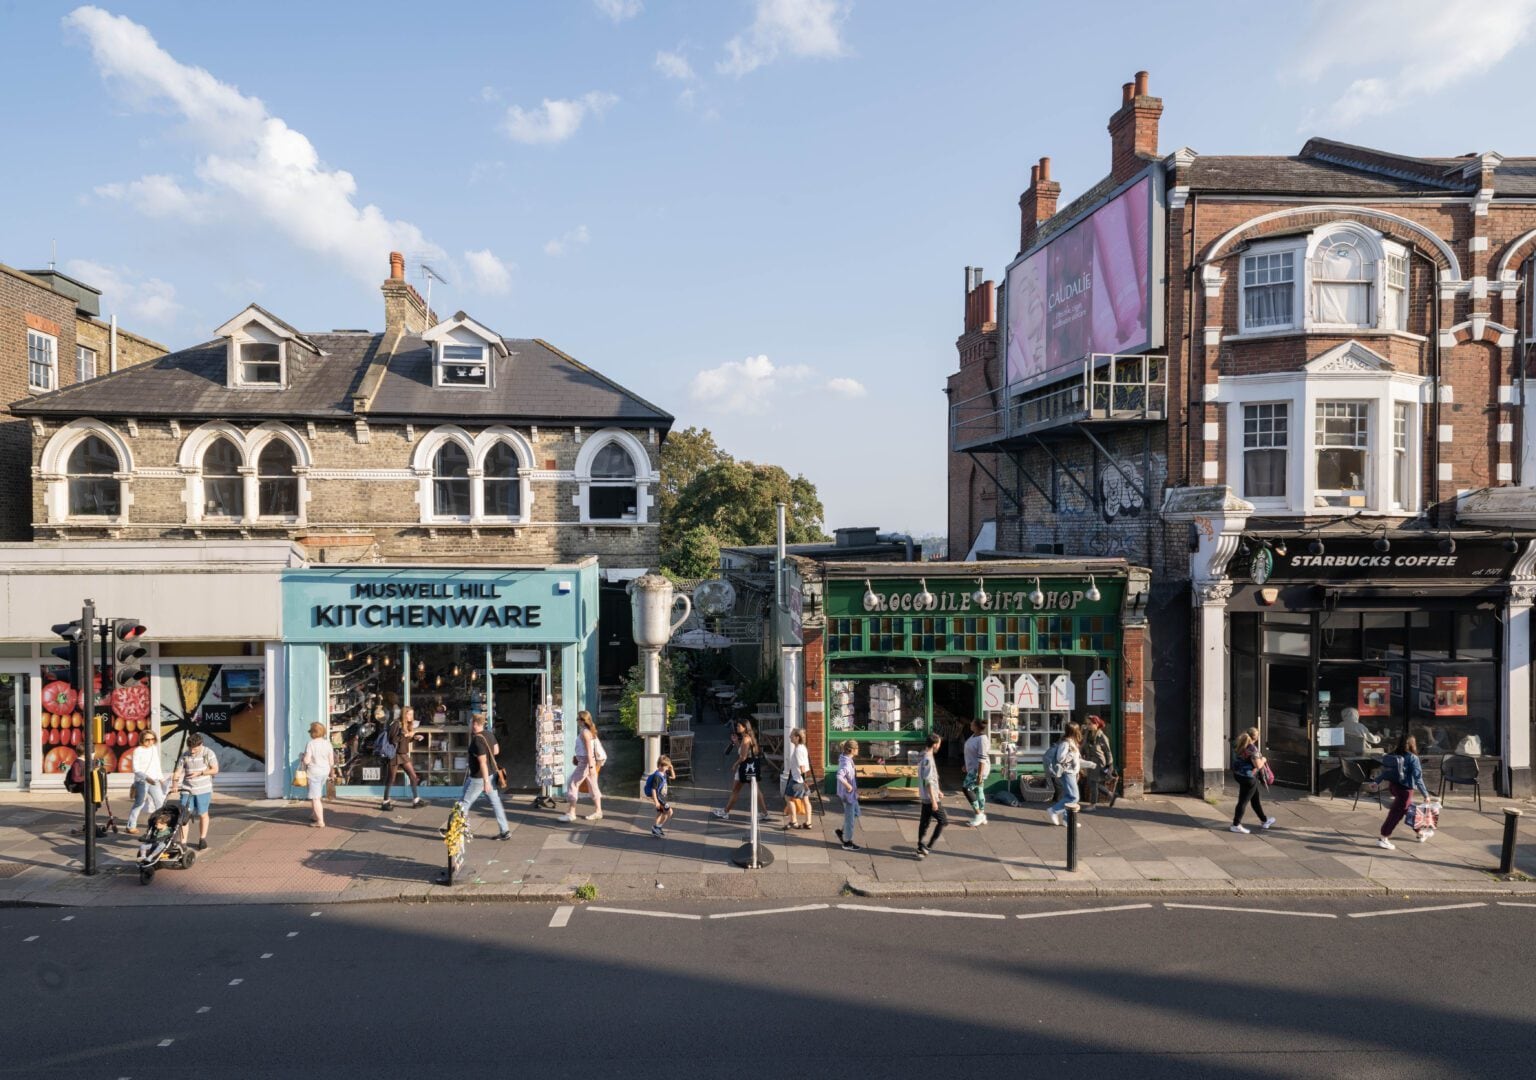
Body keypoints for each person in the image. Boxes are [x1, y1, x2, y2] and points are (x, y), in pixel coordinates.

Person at [458, 714, 510, 840]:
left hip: (479, 778)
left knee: (464, 803)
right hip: (490, 775)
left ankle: (457, 829)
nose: (471, 725)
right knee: (496, 803)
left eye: (471, 723)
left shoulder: (477, 740)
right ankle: (505, 831)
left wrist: (485, 782)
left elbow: (482, 762)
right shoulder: (489, 734)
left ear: (475, 724)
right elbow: (496, 750)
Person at [1377, 733, 1434, 849]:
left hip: (1394, 787)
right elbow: (1418, 778)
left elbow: (1385, 771)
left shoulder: (1392, 754)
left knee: (1408, 810)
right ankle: (1384, 837)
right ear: (1413, 744)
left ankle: (1420, 832)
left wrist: (1377, 781)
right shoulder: (1413, 758)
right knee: (1395, 814)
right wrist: (1425, 794)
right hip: (1405, 790)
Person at [170, 732, 220, 851]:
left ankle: (202, 838)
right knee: (183, 816)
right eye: (190, 748)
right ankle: (183, 843)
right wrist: (175, 784)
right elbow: (177, 771)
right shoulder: (185, 755)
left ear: (201, 744)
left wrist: (200, 773)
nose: (192, 751)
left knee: (203, 814)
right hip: (187, 789)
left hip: (203, 789)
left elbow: (215, 770)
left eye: (195, 748)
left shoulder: (208, 753)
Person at [712, 721, 769, 822]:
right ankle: (764, 813)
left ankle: (725, 812)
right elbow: (742, 751)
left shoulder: (746, 739)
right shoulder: (746, 738)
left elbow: (743, 757)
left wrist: (735, 764)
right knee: (752, 789)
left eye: (739, 726)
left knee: (737, 790)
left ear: (745, 727)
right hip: (749, 768)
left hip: (744, 767)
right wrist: (736, 742)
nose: (737, 727)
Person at [560, 710, 604, 823]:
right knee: (593, 786)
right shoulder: (590, 731)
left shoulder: (585, 732)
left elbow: (589, 751)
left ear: (582, 720)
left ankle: (571, 813)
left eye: (577, 719)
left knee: (572, 783)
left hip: (586, 763)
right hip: (589, 762)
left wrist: (590, 767)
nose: (576, 721)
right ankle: (598, 811)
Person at [1230, 726, 1276, 834]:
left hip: (1238, 775)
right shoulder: (1252, 748)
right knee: (1243, 802)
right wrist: (1263, 759)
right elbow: (1258, 765)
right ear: (1256, 737)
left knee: (1255, 799)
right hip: (1248, 777)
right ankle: (1235, 825)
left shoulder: (1239, 744)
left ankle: (1264, 820)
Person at [1045, 723, 1092, 827]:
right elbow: (1060, 758)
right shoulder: (1065, 743)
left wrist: (1090, 764)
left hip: (1072, 773)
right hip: (1067, 773)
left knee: (1068, 796)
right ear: (1075, 731)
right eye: (1078, 730)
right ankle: (1054, 810)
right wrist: (1071, 754)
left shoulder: (1072, 742)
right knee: (1074, 797)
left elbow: (1076, 760)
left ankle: (1067, 820)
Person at [381, 705, 424, 811]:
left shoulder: (407, 725)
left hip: (403, 754)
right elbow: (393, 739)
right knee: (391, 778)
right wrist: (406, 735)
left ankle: (416, 800)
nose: (411, 717)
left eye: (412, 714)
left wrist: (414, 738)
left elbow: (405, 741)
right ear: (404, 714)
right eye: (409, 714)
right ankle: (385, 802)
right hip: (394, 755)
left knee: (413, 776)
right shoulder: (397, 723)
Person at [124, 729, 166, 836]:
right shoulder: (137, 751)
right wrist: (146, 778)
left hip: (154, 780)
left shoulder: (154, 749)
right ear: (142, 739)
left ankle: (160, 825)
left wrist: (161, 779)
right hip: (142, 781)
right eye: (147, 739)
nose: (150, 742)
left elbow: (157, 765)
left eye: (153, 739)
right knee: (139, 803)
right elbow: (135, 769)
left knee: (160, 802)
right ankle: (130, 826)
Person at [915, 733, 947, 858]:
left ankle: (920, 846)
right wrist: (934, 800)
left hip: (926, 795)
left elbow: (932, 778)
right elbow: (928, 781)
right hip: (930, 797)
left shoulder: (924, 755)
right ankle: (927, 847)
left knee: (925, 822)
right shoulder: (928, 759)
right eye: (939, 743)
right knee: (943, 821)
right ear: (934, 745)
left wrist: (938, 790)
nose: (939, 746)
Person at [301, 721, 335, 828]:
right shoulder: (327, 743)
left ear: (313, 733)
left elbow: (306, 761)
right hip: (325, 771)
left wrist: (302, 757)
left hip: (314, 772)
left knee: (315, 797)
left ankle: (320, 821)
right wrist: (332, 772)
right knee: (317, 794)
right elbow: (331, 761)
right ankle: (315, 814)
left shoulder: (311, 744)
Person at [1083, 714, 1118, 807]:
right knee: (1091, 782)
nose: (1088, 726)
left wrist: (1108, 766)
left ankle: (1092, 805)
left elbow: (1108, 752)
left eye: (1090, 724)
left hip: (1099, 762)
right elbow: (1083, 746)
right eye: (1087, 724)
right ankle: (1111, 795)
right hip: (1090, 761)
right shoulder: (1087, 733)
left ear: (1096, 724)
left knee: (1093, 782)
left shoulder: (1102, 737)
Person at [782, 729, 813, 830]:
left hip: (797, 780)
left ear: (797, 737)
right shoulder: (802, 747)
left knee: (788, 798)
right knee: (806, 800)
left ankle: (794, 821)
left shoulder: (798, 750)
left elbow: (802, 767)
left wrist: (803, 782)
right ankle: (808, 822)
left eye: (791, 735)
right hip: (802, 780)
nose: (789, 737)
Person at [962, 720, 990, 827]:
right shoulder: (974, 736)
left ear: (977, 727)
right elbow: (970, 752)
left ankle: (978, 814)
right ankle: (981, 814)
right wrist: (966, 765)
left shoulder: (982, 739)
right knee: (979, 789)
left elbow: (982, 758)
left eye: (972, 723)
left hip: (978, 769)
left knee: (966, 788)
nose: (970, 724)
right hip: (972, 768)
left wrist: (979, 774)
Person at [834, 740, 861, 851]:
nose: (858, 750)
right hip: (848, 795)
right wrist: (848, 786)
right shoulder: (846, 763)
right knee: (850, 820)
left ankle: (841, 832)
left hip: (852, 794)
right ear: (852, 750)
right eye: (857, 748)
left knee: (856, 813)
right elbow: (839, 776)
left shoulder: (847, 759)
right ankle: (847, 842)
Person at [645, 755, 676, 838]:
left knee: (660, 812)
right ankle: (657, 827)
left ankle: (656, 828)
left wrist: (671, 769)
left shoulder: (663, 773)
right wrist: (656, 802)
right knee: (669, 812)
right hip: (659, 798)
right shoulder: (657, 777)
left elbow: (673, 777)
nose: (664, 767)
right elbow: (653, 790)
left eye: (666, 766)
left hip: (661, 797)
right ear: (659, 765)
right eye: (663, 766)